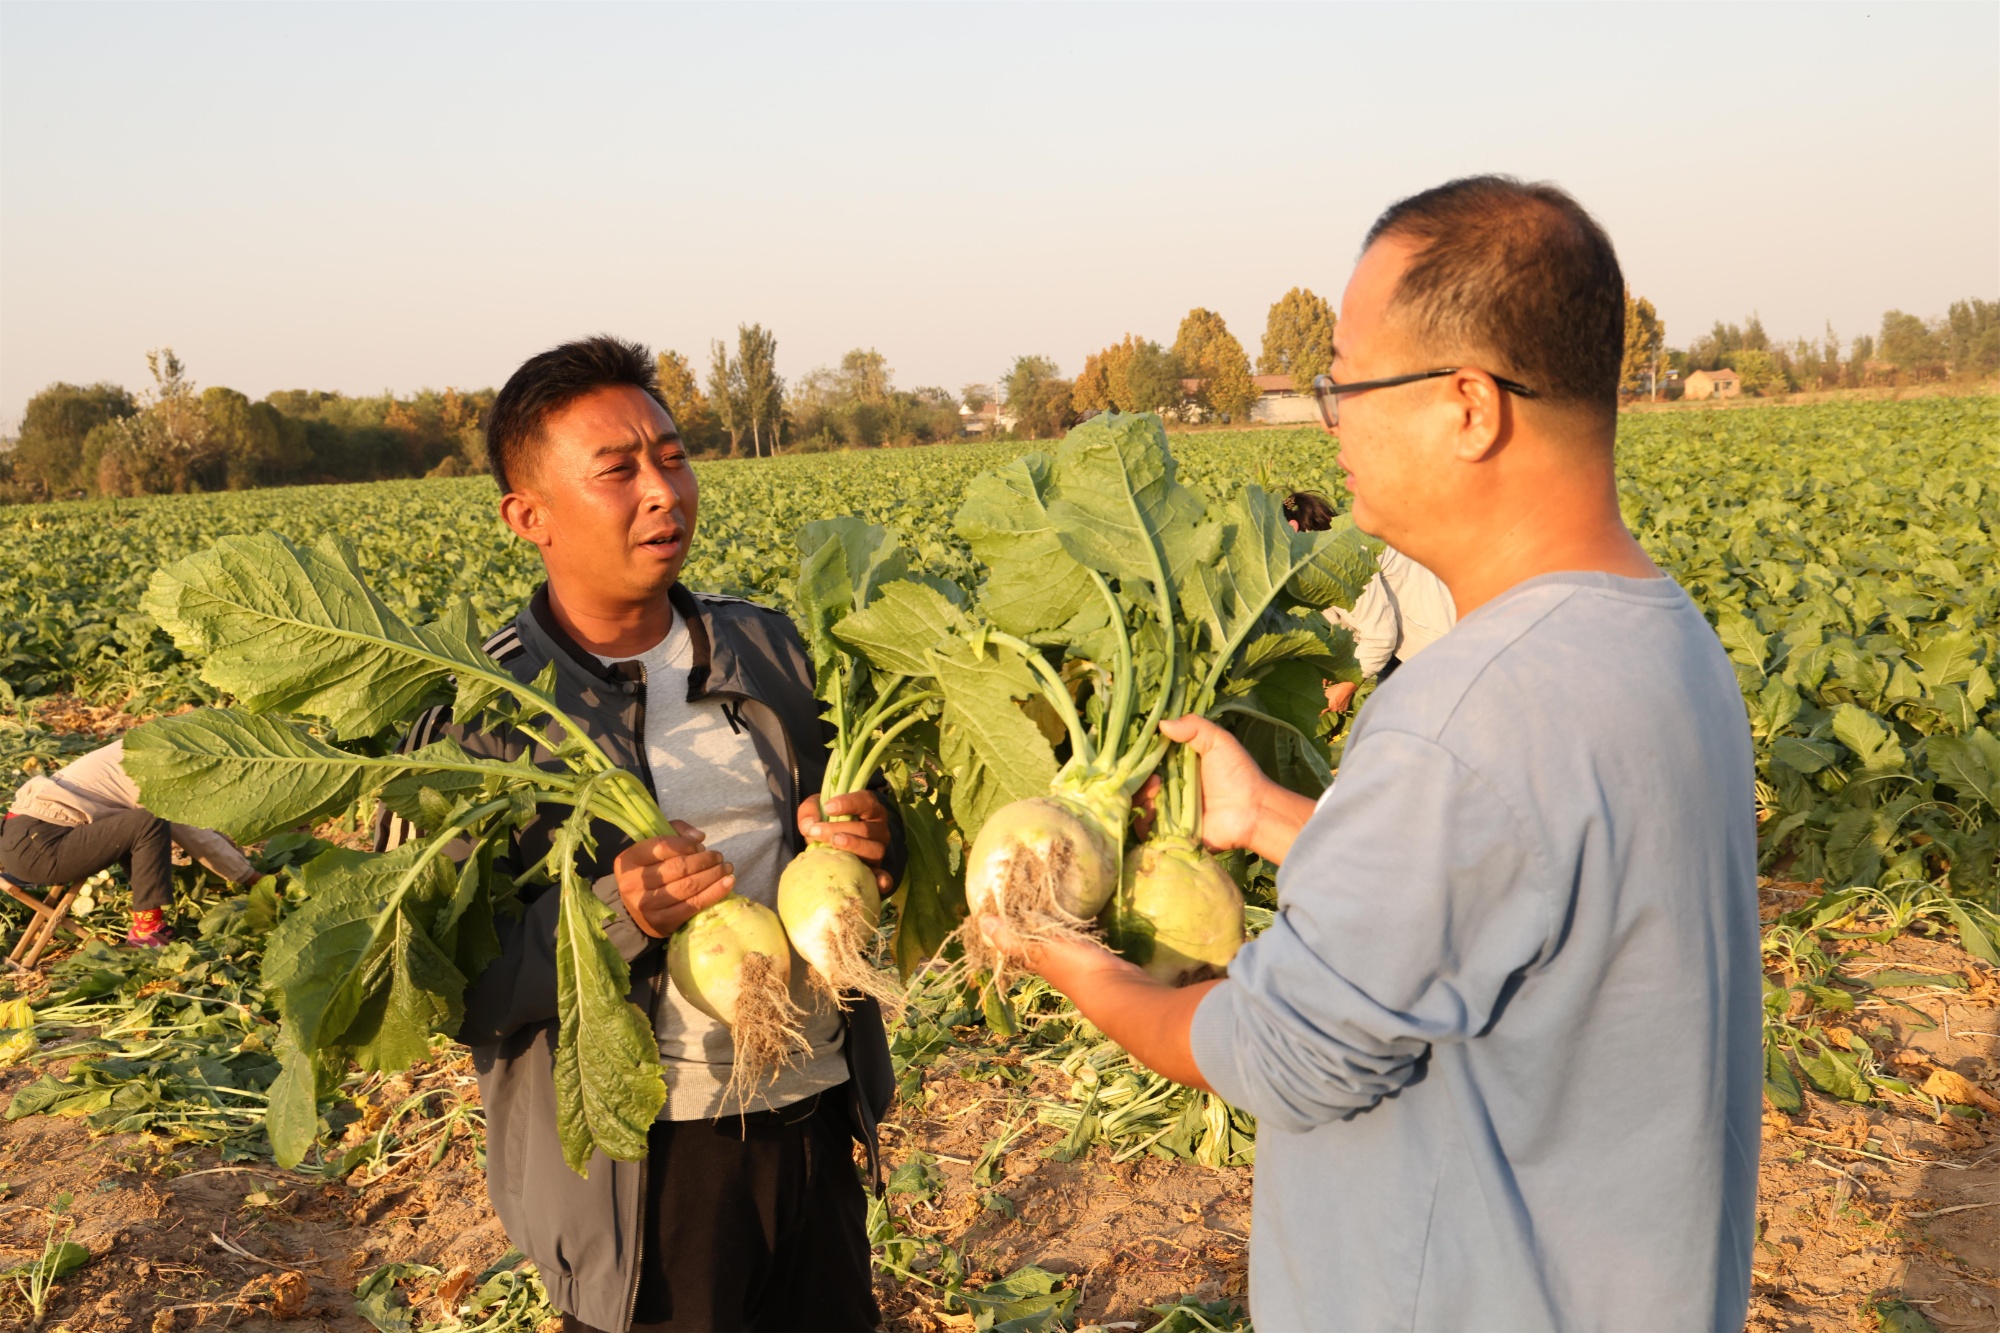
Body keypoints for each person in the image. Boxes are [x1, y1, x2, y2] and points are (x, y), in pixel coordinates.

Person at [987, 177, 1761, 1331]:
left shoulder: (1467, 714)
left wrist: (1066, 958)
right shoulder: (1658, 637)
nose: (1328, 418)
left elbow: (1284, 1053)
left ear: (1467, 406)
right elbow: (1522, 891)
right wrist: (1267, 820)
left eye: (1343, 382)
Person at [376, 337, 898, 1333]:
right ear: (526, 517)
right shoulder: (473, 719)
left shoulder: (767, 647)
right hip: (649, 1165)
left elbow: (847, 851)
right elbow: (444, 985)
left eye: (671, 455)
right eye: (616, 471)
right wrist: (613, 914)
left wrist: (875, 837)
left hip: (813, 1106)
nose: (662, 490)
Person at [1, 733, 259, 947]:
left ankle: (148, 922)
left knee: (134, 824)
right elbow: (194, 833)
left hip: (23, 837)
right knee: (148, 820)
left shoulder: (144, 745)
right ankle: (147, 930)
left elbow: (198, 823)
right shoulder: (159, 766)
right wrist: (250, 878)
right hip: (39, 846)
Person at [1285, 490, 1456, 712]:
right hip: (1407, 641)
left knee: (1408, 719)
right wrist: (1338, 670)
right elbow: (1350, 620)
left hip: (1436, 643)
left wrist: (1349, 684)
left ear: (1292, 528)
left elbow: (1380, 637)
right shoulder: (1316, 550)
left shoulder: (1337, 556)